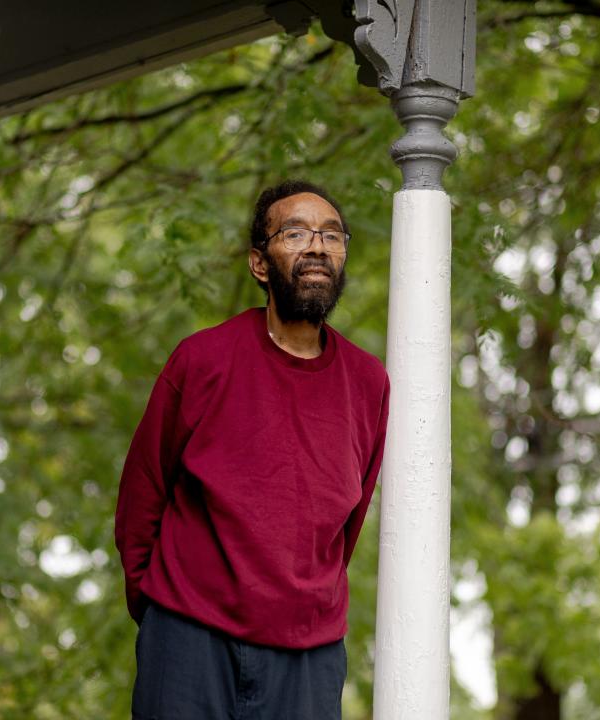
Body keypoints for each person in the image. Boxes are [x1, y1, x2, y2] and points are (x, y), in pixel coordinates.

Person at [114, 179, 391, 720]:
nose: (317, 246)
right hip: (188, 634)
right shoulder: (202, 360)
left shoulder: (368, 382)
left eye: (332, 236)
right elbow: (142, 493)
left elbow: (348, 522)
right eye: (295, 232)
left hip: (309, 654)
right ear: (259, 264)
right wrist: (156, 609)